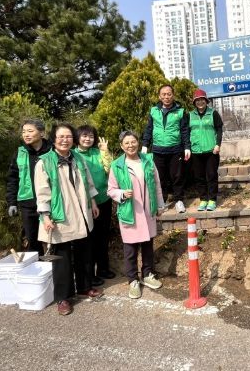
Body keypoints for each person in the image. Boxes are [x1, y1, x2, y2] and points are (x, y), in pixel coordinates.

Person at [35, 122, 103, 316]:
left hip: (81, 211)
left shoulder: (78, 158)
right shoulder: (45, 162)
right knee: (62, 258)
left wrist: (93, 202)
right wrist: (45, 216)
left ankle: (84, 286)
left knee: (84, 252)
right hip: (60, 215)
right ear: (54, 139)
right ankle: (63, 297)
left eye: (69, 137)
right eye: (61, 137)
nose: (65, 140)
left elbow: (88, 183)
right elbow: (42, 192)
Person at [107, 130, 165, 299]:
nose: (130, 145)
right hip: (129, 212)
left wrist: (160, 205)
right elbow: (111, 189)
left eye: (133, 142)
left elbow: (157, 184)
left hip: (147, 210)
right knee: (130, 249)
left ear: (138, 143)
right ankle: (133, 280)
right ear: (121, 146)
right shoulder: (117, 165)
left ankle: (147, 275)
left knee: (147, 246)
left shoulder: (148, 160)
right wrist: (122, 194)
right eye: (126, 143)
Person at [75, 125, 115, 286]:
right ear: (78, 137)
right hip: (85, 203)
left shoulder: (98, 152)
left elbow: (110, 170)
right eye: (84, 136)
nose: (88, 139)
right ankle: (89, 274)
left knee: (103, 236)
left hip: (103, 199)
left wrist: (105, 152)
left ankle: (103, 269)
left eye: (91, 136)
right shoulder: (74, 155)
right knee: (89, 239)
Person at [141, 84, 190, 214]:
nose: (166, 97)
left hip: (175, 150)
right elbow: (149, 129)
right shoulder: (153, 111)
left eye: (169, 94)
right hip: (158, 150)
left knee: (177, 176)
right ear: (159, 96)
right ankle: (161, 201)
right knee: (159, 177)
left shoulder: (180, 111)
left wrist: (187, 147)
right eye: (164, 94)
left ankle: (178, 200)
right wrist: (145, 144)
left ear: (173, 95)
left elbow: (185, 131)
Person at [6, 119, 51, 255]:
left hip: (51, 202)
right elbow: (13, 178)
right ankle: (37, 266)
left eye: (30, 131)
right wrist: (12, 202)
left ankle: (55, 268)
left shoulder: (52, 150)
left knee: (53, 240)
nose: (26, 134)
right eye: (24, 132)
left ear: (41, 133)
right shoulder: (20, 152)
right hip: (28, 204)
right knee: (33, 241)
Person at [189, 89, 223, 212]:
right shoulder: (190, 115)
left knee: (211, 175)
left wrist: (217, 145)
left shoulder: (213, 113)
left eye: (202, 100)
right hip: (196, 151)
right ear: (194, 102)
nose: (200, 102)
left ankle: (212, 200)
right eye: (197, 100)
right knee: (199, 177)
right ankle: (203, 199)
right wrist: (187, 148)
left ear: (206, 101)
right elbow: (186, 132)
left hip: (211, 151)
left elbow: (219, 130)